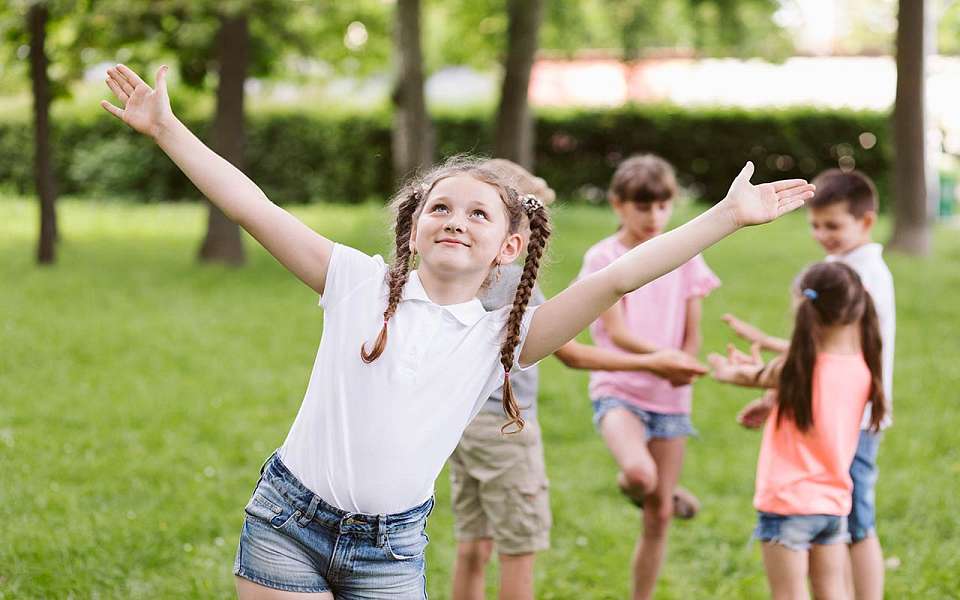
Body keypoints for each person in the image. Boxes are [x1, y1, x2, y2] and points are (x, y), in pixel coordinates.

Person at [101, 64, 814, 598]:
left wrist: (725, 217)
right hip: (287, 524)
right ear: (414, 227)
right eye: (442, 207)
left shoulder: (504, 336)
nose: (456, 220)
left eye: (480, 215)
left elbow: (618, 279)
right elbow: (252, 205)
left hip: (390, 548)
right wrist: (166, 127)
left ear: (509, 246)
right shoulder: (356, 282)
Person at [449, 159, 708, 600]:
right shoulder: (514, 283)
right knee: (519, 549)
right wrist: (655, 363)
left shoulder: (458, 276)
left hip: (461, 426)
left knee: (474, 546)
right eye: (530, 224)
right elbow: (570, 354)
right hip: (505, 430)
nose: (530, 238)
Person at [722, 169, 894, 600]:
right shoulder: (842, 270)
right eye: (815, 225)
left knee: (860, 524)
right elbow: (822, 359)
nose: (822, 234)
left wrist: (757, 373)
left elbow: (822, 358)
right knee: (843, 528)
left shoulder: (862, 274)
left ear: (866, 222)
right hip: (842, 410)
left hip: (849, 422)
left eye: (832, 225)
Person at [578, 155, 720, 600]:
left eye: (662, 206)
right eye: (643, 207)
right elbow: (615, 332)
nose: (654, 217)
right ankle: (654, 488)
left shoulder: (686, 254)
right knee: (641, 476)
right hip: (620, 388)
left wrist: (685, 364)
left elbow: (692, 328)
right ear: (619, 205)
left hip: (670, 397)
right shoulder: (603, 257)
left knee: (657, 516)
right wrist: (664, 358)